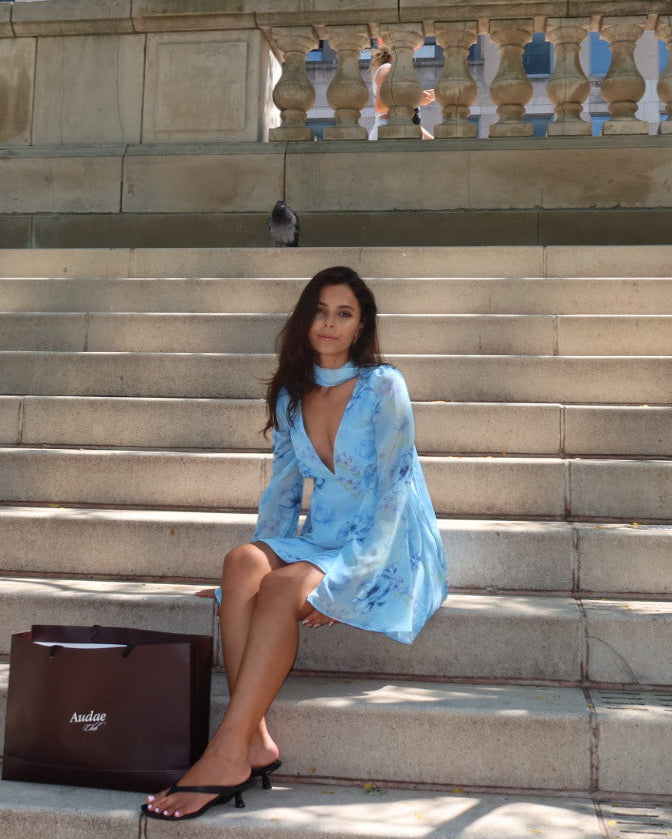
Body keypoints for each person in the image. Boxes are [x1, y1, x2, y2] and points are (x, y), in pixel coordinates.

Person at [142, 266, 447, 822]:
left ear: (360, 327)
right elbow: (284, 490)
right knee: (242, 563)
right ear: (305, 320)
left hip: (387, 543)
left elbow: (395, 493)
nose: (329, 323)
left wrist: (343, 586)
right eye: (319, 311)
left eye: (344, 313)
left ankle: (227, 751)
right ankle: (252, 737)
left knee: (284, 588)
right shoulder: (291, 394)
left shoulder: (384, 386)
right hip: (324, 535)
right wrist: (258, 562)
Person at [368, 44, 435, 140]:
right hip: (389, 130)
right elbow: (381, 107)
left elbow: (409, 121)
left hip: (397, 130)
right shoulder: (388, 68)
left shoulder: (396, 72)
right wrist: (416, 100)